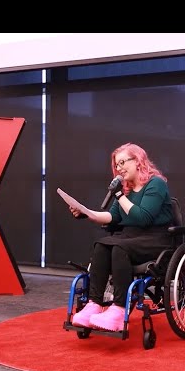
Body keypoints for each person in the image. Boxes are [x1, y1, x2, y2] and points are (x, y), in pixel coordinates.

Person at [66, 142, 174, 332]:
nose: (119, 168)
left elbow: (143, 218)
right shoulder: (126, 191)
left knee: (119, 247)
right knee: (102, 245)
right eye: (116, 164)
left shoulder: (156, 184)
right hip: (130, 237)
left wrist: (119, 195)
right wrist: (86, 213)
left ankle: (119, 309)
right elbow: (112, 217)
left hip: (155, 239)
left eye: (123, 162)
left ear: (138, 161)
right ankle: (94, 304)